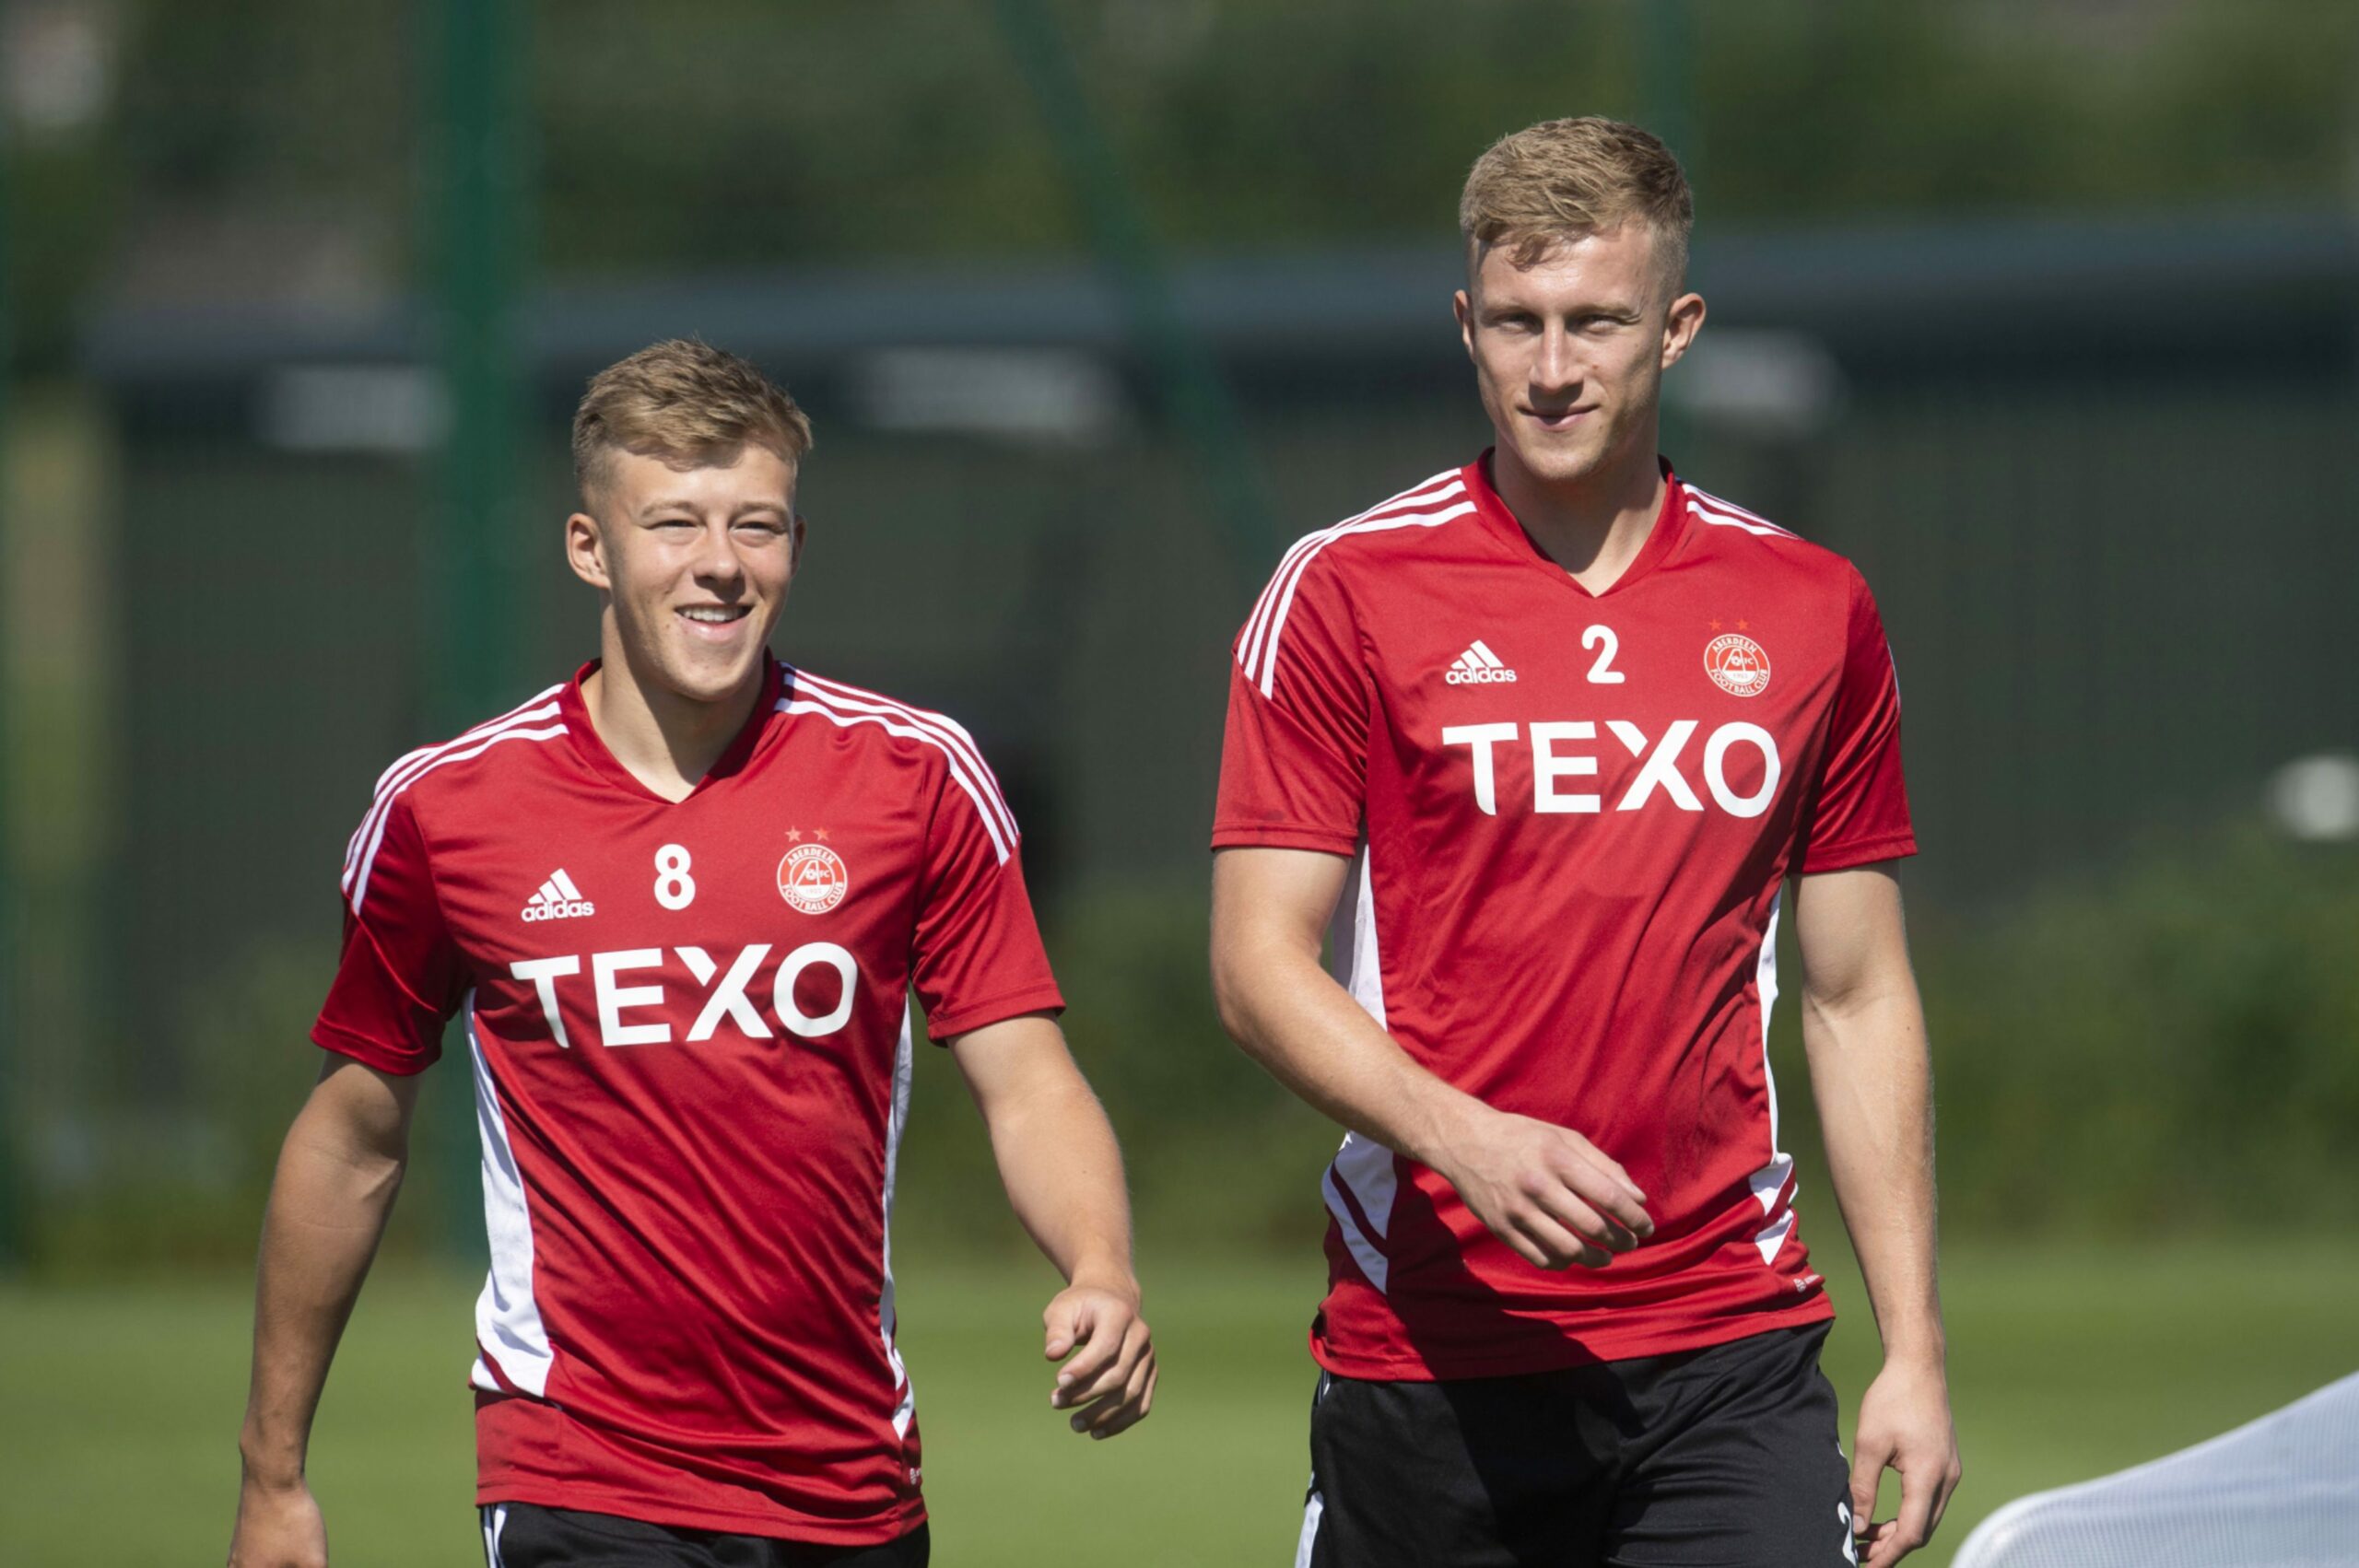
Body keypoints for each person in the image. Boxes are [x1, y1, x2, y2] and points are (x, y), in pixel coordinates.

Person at [229, 339, 1154, 1568]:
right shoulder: (447, 811)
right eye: (671, 523)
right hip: (578, 1470)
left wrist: (1101, 1264)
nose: (719, 564)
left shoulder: (916, 777)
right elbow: (352, 1136)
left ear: (796, 548)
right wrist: (273, 1474)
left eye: (756, 525)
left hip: (847, 1482)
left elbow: (1030, 1078)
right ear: (588, 546)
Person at [1208, 118, 1960, 1568]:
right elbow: (1255, 966)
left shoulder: (1812, 605)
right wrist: (1460, 1136)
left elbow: (1858, 992)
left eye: (1596, 322)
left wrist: (1914, 1348)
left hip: (1726, 1350)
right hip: (1430, 1350)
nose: (1553, 367)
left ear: (1675, 328)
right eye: (1517, 323)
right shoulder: (1346, 589)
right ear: (1466, 325)